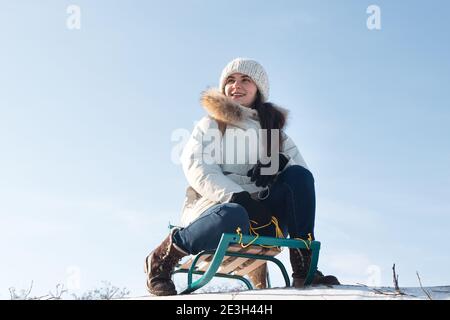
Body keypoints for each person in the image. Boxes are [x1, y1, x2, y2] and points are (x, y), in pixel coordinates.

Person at [144, 58, 340, 296]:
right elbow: (198, 166)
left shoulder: (272, 132)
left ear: (258, 88)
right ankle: (162, 259)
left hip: (265, 217)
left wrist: (281, 163)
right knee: (234, 212)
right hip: (219, 208)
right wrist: (237, 195)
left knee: (298, 176)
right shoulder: (213, 124)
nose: (236, 86)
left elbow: (302, 179)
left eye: (245, 80)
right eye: (230, 80)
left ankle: (304, 266)